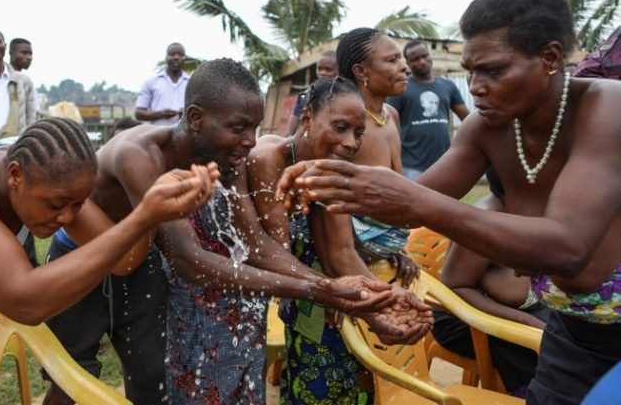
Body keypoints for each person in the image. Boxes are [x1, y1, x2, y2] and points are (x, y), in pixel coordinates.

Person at [276, 0, 621, 405]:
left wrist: (412, 201)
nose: (474, 86)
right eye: (471, 70)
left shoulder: (606, 108)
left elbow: (568, 247)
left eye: (492, 70)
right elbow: (403, 209)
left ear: (550, 58)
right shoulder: (488, 128)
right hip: (571, 335)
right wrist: (323, 176)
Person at [60, 58, 421, 404]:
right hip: (84, 255)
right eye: (238, 127)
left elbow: (256, 244)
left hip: (138, 261)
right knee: (70, 378)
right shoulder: (141, 156)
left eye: (255, 128)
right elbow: (189, 260)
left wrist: (341, 292)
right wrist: (319, 290)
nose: (249, 141)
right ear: (196, 118)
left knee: (152, 382)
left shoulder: (225, 158)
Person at [0, 117, 219, 325]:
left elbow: (126, 259)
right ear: (15, 175)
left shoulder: (48, 173)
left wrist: (152, 210)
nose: (66, 218)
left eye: (78, 204)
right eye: (57, 204)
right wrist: (145, 216)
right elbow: (26, 304)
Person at [248, 77, 433, 404]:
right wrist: (341, 295)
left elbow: (341, 252)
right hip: (266, 285)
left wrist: (381, 302)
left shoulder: (326, 169)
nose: (351, 143)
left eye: (358, 133)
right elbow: (276, 255)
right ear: (307, 118)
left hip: (315, 290)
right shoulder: (269, 159)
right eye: (341, 127)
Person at [41, 114, 167, 405]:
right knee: (68, 376)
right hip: (78, 260)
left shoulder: (149, 175)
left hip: (138, 267)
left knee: (150, 371)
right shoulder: (89, 183)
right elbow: (126, 260)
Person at [434, 193, 550, 397]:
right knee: (547, 347)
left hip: (530, 311)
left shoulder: (542, 209)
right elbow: (452, 290)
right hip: (465, 318)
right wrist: (525, 321)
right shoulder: (484, 219)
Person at [336, 27, 419, 281]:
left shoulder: (391, 116)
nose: (404, 67)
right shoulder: (342, 124)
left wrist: (397, 249)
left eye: (400, 59)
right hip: (348, 259)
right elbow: (329, 201)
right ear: (361, 71)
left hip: (385, 249)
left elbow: (398, 190)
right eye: (392, 60)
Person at [387, 40, 469, 180]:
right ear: (407, 63)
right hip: (411, 167)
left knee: (445, 202)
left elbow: (467, 119)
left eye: (425, 56)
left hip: (444, 164)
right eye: (415, 59)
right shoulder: (401, 88)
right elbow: (389, 125)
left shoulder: (447, 86)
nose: (422, 61)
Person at [284, 50, 339, 136]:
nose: (322, 73)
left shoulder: (343, 97)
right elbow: (290, 131)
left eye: (328, 69)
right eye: (319, 69)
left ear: (339, 72)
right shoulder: (305, 96)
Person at [135, 42, 189, 125]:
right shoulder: (151, 82)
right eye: (172, 54)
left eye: (180, 54)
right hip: (157, 135)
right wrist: (160, 114)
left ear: (184, 58)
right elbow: (138, 113)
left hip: (186, 136)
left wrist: (187, 114)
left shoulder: (191, 82)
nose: (176, 57)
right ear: (166, 57)